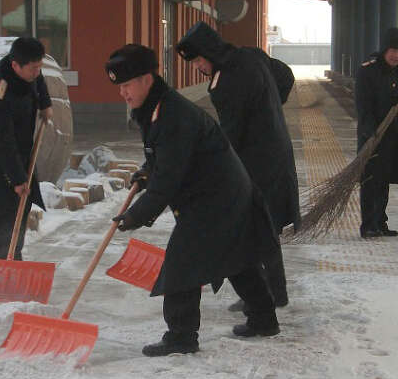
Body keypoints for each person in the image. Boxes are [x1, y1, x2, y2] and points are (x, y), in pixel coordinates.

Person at [105, 43, 280, 357]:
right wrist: (147, 171)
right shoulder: (156, 107)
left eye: (127, 85)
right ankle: (264, 318)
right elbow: (165, 157)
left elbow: (169, 179)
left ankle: (182, 336)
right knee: (235, 255)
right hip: (222, 191)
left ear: (147, 79)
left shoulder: (173, 115)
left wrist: (135, 215)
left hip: (216, 195)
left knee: (182, 263)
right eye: (120, 87)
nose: (123, 93)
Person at [175, 21, 298, 309]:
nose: (197, 68)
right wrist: (269, 107)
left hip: (257, 163)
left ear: (209, 52)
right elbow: (285, 75)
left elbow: (230, 134)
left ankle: (268, 295)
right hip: (277, 152)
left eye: (198, 61)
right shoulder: (252, 55)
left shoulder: (226, 83)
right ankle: (271, 293)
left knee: (254, 225)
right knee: (263, 226)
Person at [0, 37, 53, 260]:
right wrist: (17, 179)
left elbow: (38, 78)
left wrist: (45, 102)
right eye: (33, 68)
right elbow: (1, 142)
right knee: (3, 214)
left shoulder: (26, 69)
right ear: (16, 65)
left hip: (20, 149)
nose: (37, 72)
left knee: (21, 208)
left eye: (39, 66)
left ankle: (13, 258)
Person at [355, 27, 398, 238]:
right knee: (370, 180)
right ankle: (368, 224)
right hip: (373, 135)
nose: (396, 55)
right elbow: (362, 105)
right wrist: (370, 133)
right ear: (385, 49)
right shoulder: (368, 70)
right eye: (393, 50)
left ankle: (380, 221)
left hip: (395, 135)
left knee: (384, 179)